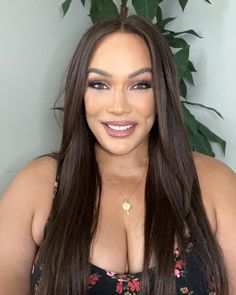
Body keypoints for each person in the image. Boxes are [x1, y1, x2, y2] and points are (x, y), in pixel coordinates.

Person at [0, 15, 235, 295]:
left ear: (162, 92)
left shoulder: (215, 183)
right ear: (80, 92)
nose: (119, 107)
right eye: (99, 84)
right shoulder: (35, 187)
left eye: (140, 85)